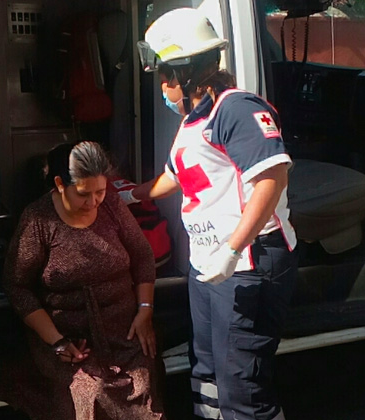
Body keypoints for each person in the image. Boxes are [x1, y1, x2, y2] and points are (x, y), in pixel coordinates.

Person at [124, 8, 299, 420]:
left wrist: (233, 249)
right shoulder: (194, 121)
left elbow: (272, 178)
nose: (163, 87)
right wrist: (130, 195)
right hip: (209, 263)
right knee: (206, 370)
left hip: (247, 262)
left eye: (165, 77)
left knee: (243, 387)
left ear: (185, 73)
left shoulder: (235, 109)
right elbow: (177, 176)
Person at [0, 141, 165, 420]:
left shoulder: (112, 206)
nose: (93, 202)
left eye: (100, 191)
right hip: (66, 338)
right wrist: (57, 342)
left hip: (122, 331)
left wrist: (145, 310)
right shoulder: (38, 220)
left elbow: (143, 257)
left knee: (141, 384)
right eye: (84, 194)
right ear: (60, 184)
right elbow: (17, 286)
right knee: (89, 391)